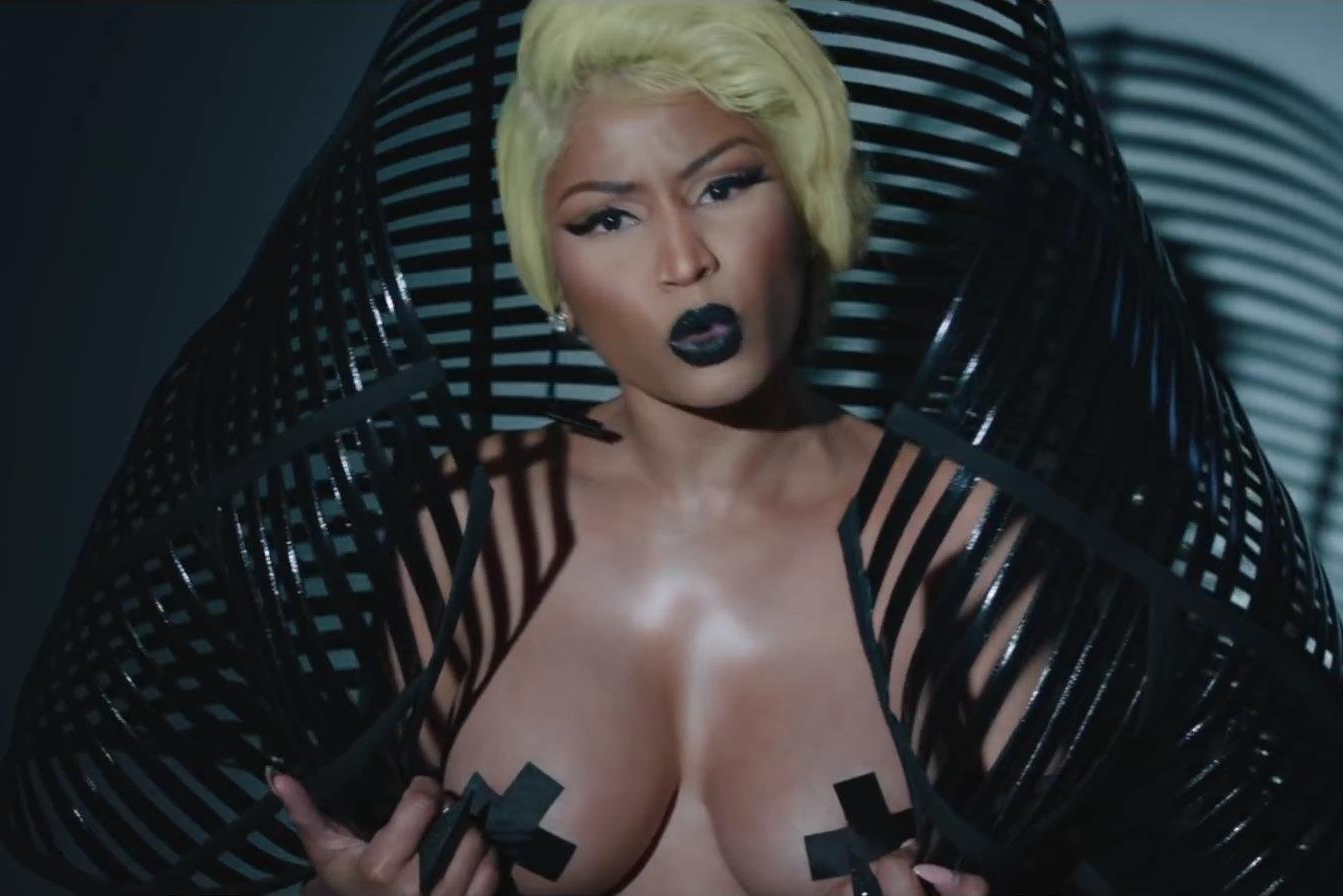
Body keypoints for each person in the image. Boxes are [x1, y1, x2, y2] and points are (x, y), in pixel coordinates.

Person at [269, 1, 1025, 892]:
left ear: (806, 198)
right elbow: (379, 840)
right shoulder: (481, 510)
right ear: (555, 277)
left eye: (724, 187)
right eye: (606, 219)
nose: (682, 261)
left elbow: (1079, 854)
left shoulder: (953, 529)